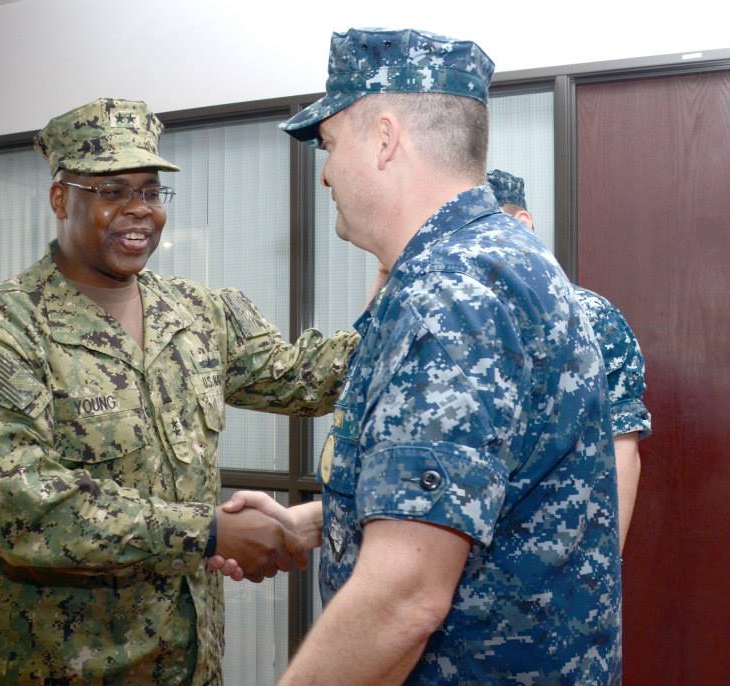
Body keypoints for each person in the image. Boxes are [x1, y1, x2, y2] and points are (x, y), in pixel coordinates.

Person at [214, 28, 621, 684]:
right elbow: (478, 489)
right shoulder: (493, 262)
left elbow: (404, 599)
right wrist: (312, 521)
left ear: (383, 138)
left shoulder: (450, 292)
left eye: (329, 143)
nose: (323, 172)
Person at [0, 97, 364, 686]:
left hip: (186, 659)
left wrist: (405, 287)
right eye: (112, 192)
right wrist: (209, 530)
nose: (140, 211)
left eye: (152, 192)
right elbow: (21, 507)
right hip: (48, 665)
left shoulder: (196, 312)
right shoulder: (2, 329)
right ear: (61, 198)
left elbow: (303, 379)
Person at [486, 168, 652, 549]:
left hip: (555, 565)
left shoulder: (590, 318)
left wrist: (611, 566)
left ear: (521, 224)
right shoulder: (443, 317)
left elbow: (621, 451)